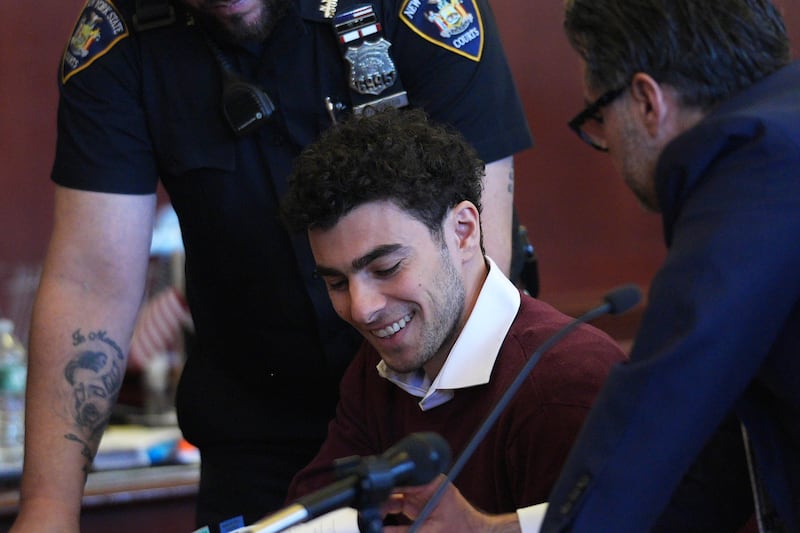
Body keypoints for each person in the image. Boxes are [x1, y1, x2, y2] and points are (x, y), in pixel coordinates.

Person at [13, 0, 533, 531]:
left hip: (433, 412)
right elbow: (88, 281)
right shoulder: (120, 37)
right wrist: (48, 509)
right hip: (254, 434)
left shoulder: (416, 10)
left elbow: (477, 259)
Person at [364, 1, 800, 531]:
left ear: (645, 100)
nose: (606, 145)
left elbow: (656, 411)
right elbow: (707, 463)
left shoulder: (753, 171)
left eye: (597, 117)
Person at [278, 108, 627, 531]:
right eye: (336, 283)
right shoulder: (379, 368)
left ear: (463, 230)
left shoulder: (565, 381)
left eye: (386, 269)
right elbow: (310, 516)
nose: (361, 309)